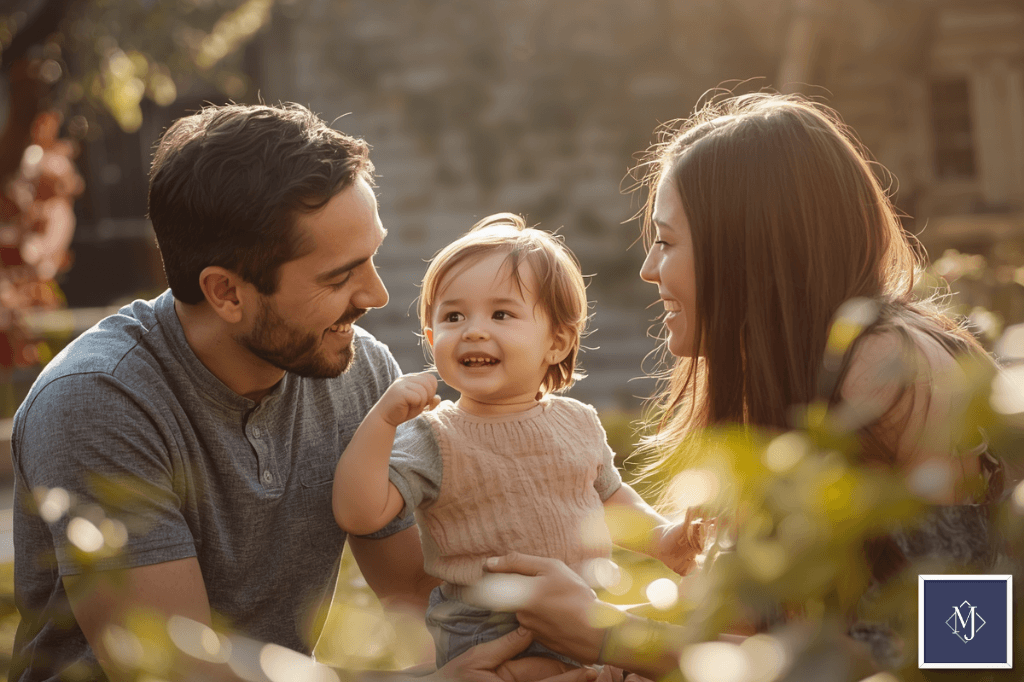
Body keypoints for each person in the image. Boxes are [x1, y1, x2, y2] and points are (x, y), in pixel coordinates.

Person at [9, 103, 595, 682]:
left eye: (372, 257)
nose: (378, 295)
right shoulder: (98, 402)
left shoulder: (360, 372)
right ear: (227, 293)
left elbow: (415, 594)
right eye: (340, 276)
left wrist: (563, 653)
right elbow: (175, 668)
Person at [470, 92, 1010, 677]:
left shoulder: (894, 373)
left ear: (749, 249)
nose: (650, 269)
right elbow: (777, 634)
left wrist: (611, 637)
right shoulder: (797, 375)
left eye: (667, 241)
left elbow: (967, 645)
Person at [331, 214, 706, 682]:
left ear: (558, 341)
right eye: (452, 317)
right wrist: (380, 422)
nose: (473, 330)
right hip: (486, 639)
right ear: (431, 340)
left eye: (501, 314)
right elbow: (358, 514)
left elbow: (611, 502)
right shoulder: (435, 436)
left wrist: (662, 539)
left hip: (581, 615)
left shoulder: (577, 422)